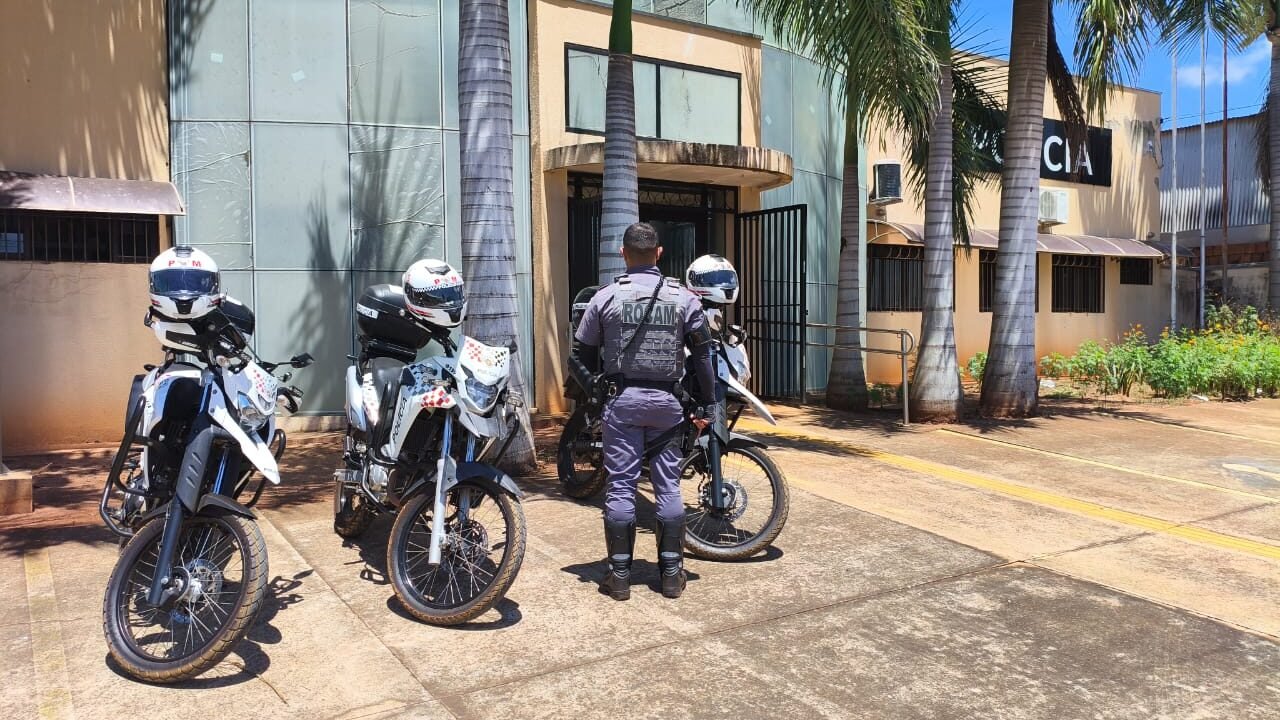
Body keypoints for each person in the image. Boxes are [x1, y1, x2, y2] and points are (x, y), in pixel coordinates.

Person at [573, 222, 716, 600]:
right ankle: (670, 575)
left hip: (622, 405)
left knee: (621, 485)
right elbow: (703, 356)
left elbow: (580, 355)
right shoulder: (684, 299)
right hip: (668, 406)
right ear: (659, 253)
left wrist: (595, 392)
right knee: (668, 485)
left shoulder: (605, 298)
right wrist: (709, 402)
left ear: (623, 254)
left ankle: (619, 577)